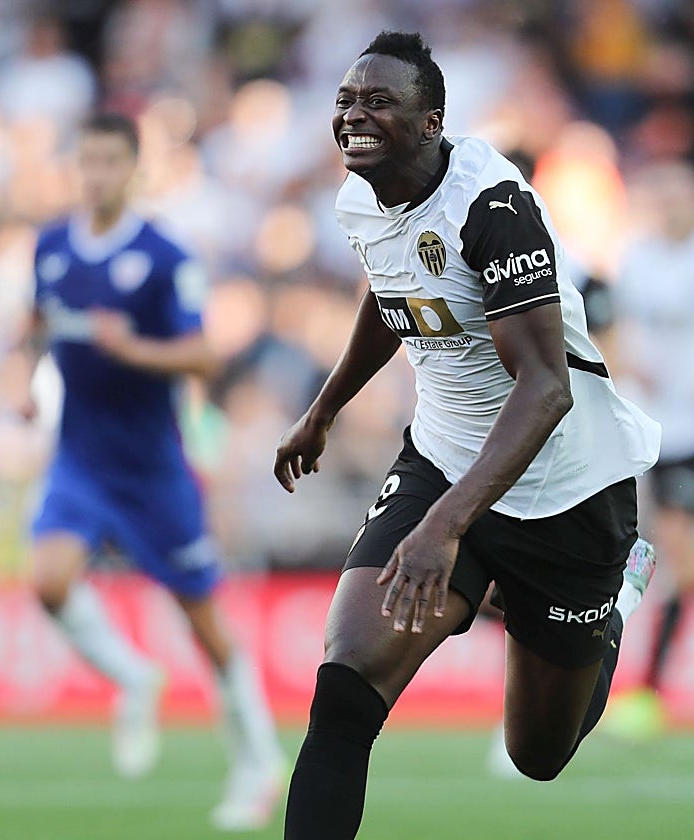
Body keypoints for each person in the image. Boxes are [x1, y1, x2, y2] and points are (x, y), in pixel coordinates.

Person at [273, 32, 661, 839]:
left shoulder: (492, 207)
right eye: (346, 100)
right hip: (444, 458)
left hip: (565, 485)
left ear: (431, 123)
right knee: (344, 690)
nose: (354, 116)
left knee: (537, 754)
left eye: (378, 102)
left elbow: (546, 389)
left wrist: (443, 529)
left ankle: (616, 597)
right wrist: (325, 407)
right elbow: (392, 291)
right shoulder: (359, 199)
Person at [27, 112, 287, 831]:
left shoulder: (164, 257)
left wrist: (134, 349)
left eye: (110, 162)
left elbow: (204, 356)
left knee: (203, 622)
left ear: (133, 169)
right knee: (47, 581)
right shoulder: (51, 247)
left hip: (152, 470)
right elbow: (37, 325)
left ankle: (259, 762)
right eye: (87, 161)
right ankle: (135, 677)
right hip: (80, 459)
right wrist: (28, 378)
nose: (97, 176)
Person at [604, 162, 694, 739]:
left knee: (679, 562)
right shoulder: (636, 260)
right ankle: (648, 690)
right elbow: (612, 330)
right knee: (677, 559)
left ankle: (649, 689)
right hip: (665, 435)